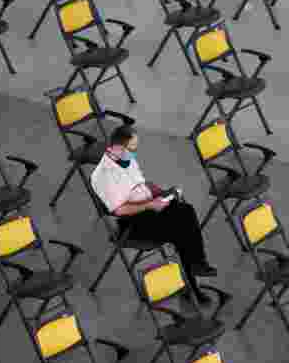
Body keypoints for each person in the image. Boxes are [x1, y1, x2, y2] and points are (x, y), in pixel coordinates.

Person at [89, 125, 217, 297]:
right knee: (183, 225)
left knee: (185, 210)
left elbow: (142, 185)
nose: (134, 152)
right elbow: (119, 210)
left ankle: (195, 271)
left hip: (150, 208)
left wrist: (163, 193)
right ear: (118, 147)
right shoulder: (103, 176)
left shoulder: (126, 159)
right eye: (132, 148)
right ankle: (195, 276)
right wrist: (149, 205)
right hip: (133, 222)